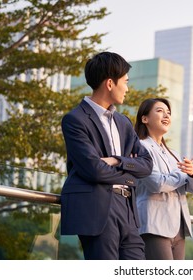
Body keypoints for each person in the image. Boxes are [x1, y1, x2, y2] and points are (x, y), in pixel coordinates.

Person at [60, 51, 153, 260]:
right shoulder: (75, 120)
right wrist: (130, 173)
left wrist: (116, 160)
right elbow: (93, 169)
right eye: (126, 82)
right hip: (98, 210)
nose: (128, 89)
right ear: (110, 83)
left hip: (128, 210)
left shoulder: (124, 122)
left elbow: (147, 164)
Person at [134, 98, 193, 260]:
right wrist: (185, 173)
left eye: (169, 113)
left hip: (178, 227)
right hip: (154, 224)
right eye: (160, 111)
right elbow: (157, 183)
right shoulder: (140, 147)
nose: (166, 115)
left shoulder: (173, 154)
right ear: (145, 119)